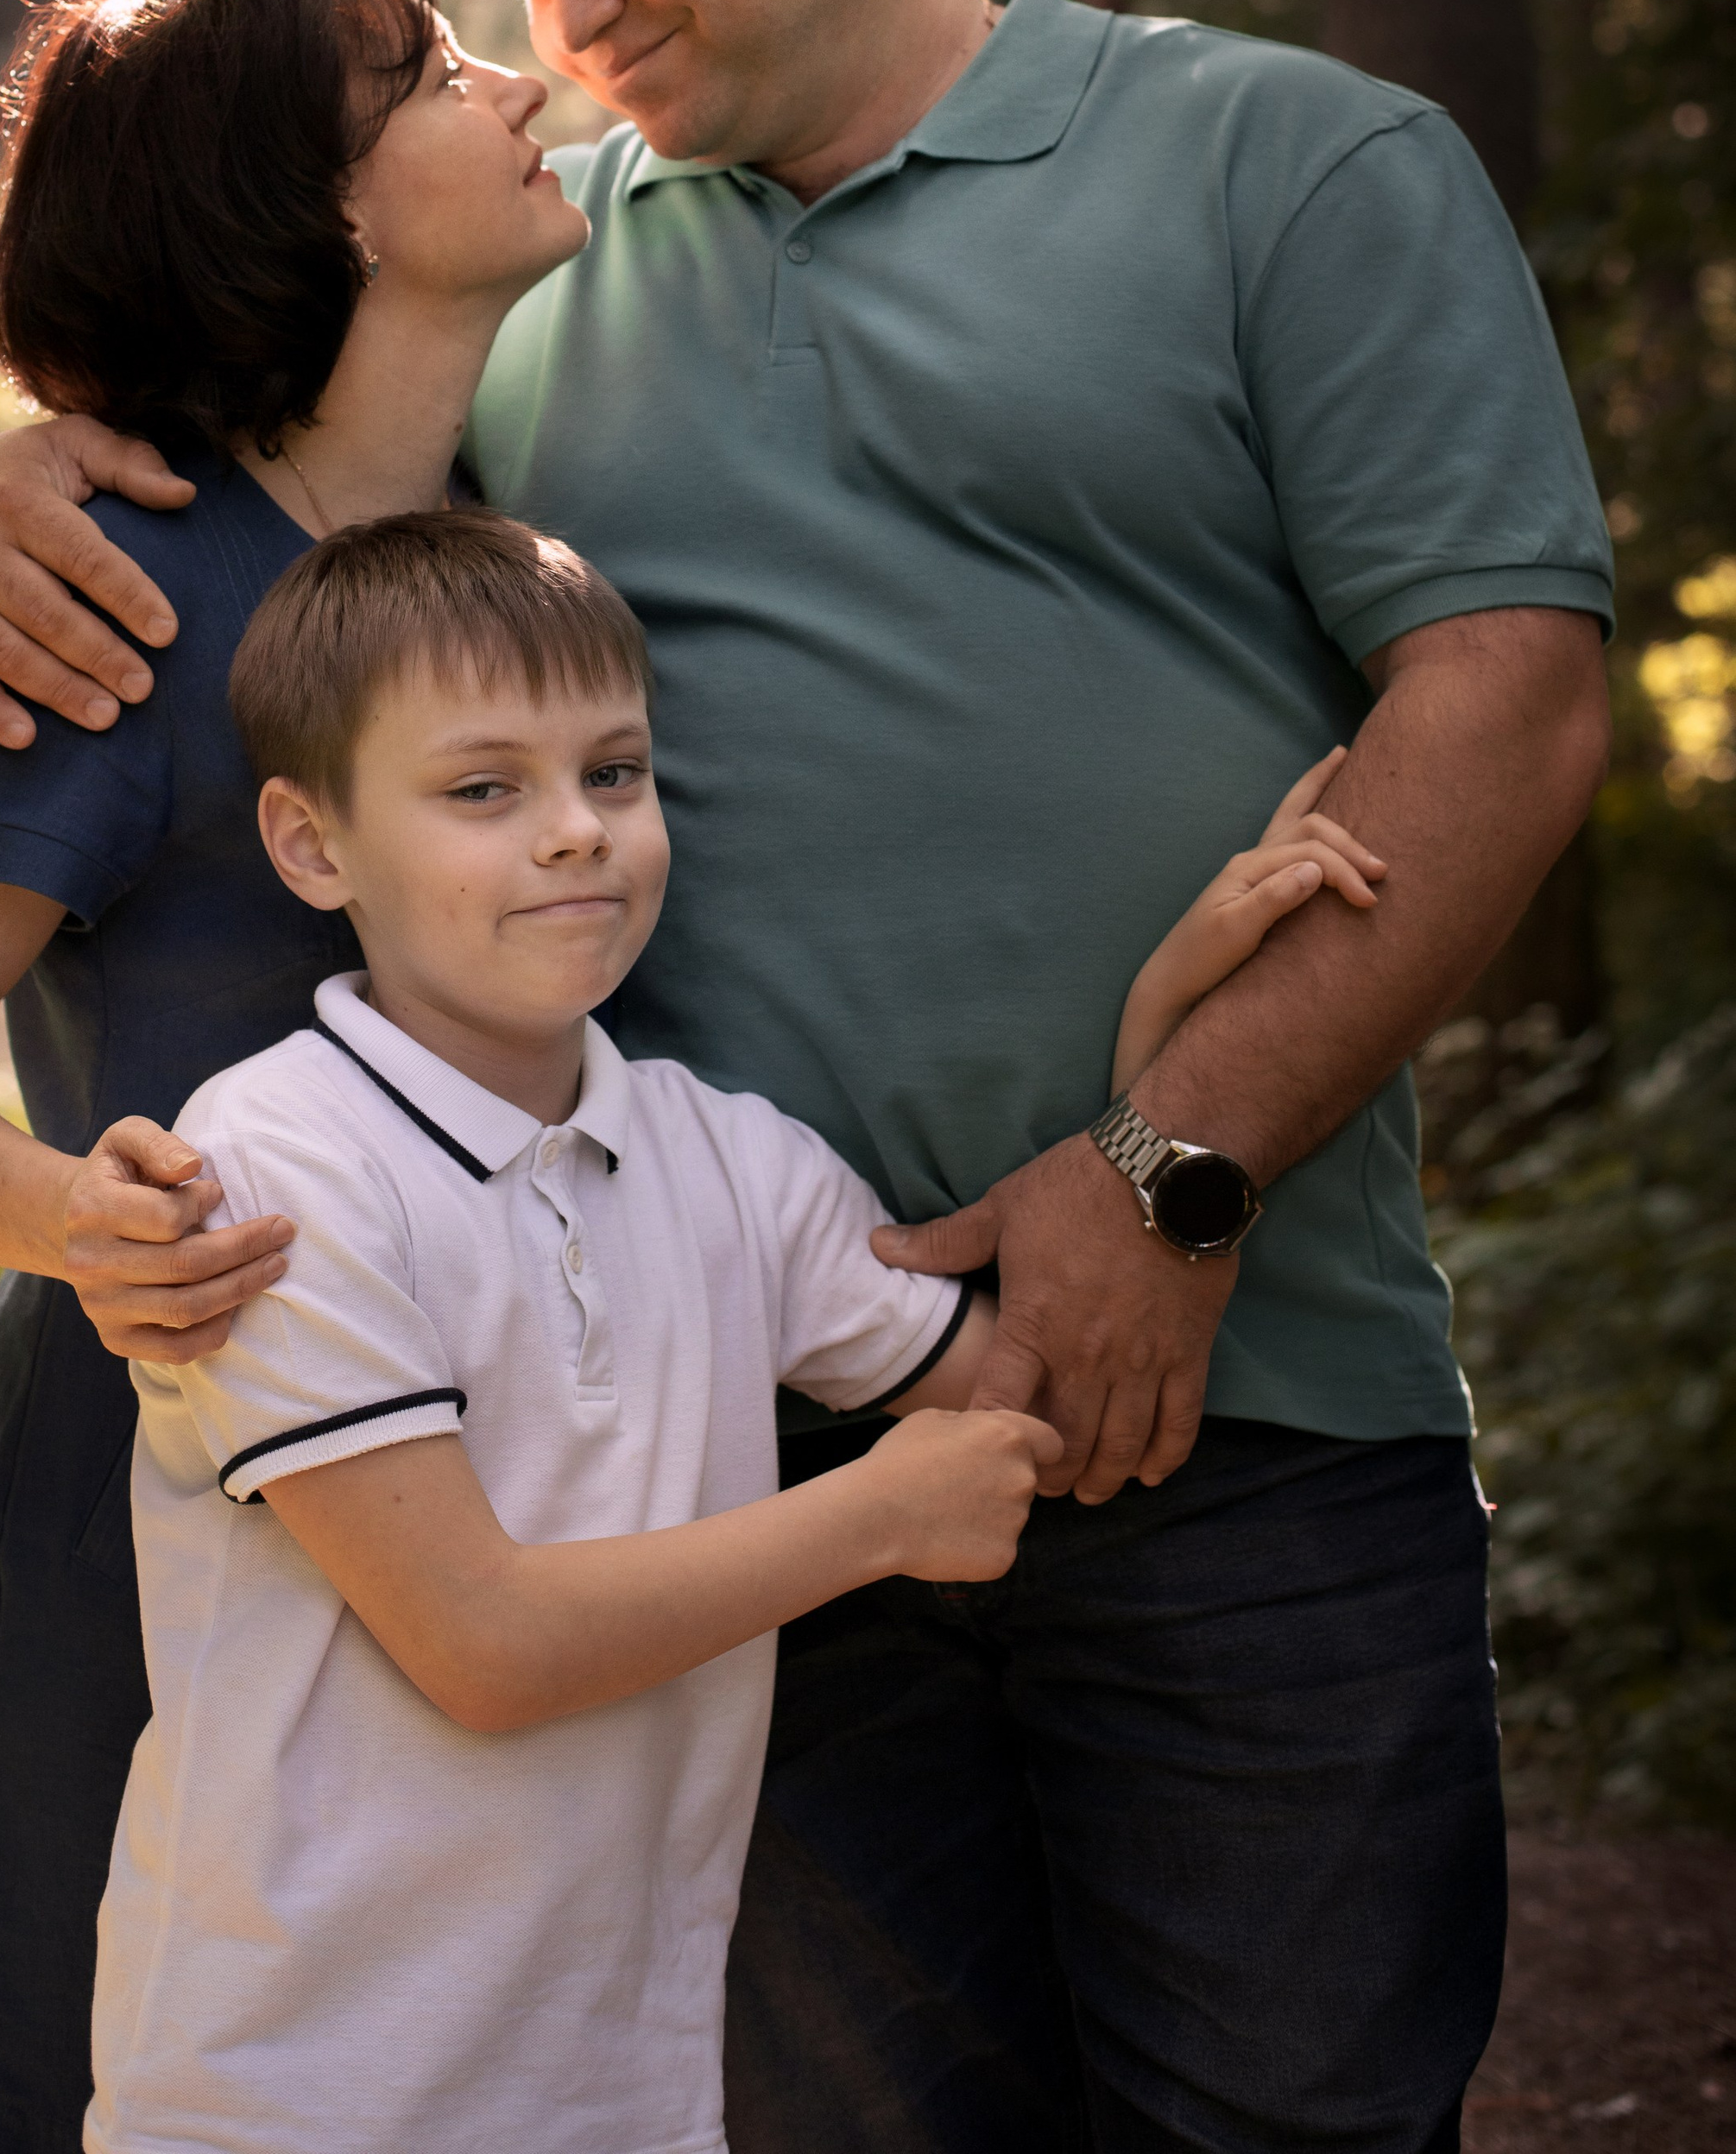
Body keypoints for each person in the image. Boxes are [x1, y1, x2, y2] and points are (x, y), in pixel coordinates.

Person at [0, 0, 1615, 2154]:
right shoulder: (540, 260)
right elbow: (245, 379)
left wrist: (1173, 1173)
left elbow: (1512, 699)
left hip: (1243, 1414)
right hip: (732, 1474)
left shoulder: (1289, 164)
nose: (571, 10)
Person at [88, 505, 1384, 2154]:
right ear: (312, 843)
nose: (576, 833)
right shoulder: (275, 1163)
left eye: (613, 774)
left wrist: (1158, 1065)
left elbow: (1047, 1406)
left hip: (623, 2085)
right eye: (485, 789)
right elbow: (480, 1645)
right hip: (295, 2078)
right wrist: (874, 1518)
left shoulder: (731, 1160)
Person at [0, 0, 597, 2154]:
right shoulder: (110, 592)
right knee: (91, 2081)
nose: (513, 83)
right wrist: (84, 1226)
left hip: (514, 1485)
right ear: (303, 209)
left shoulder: (533, 557)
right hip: (141, 1480)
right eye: (425, 79)